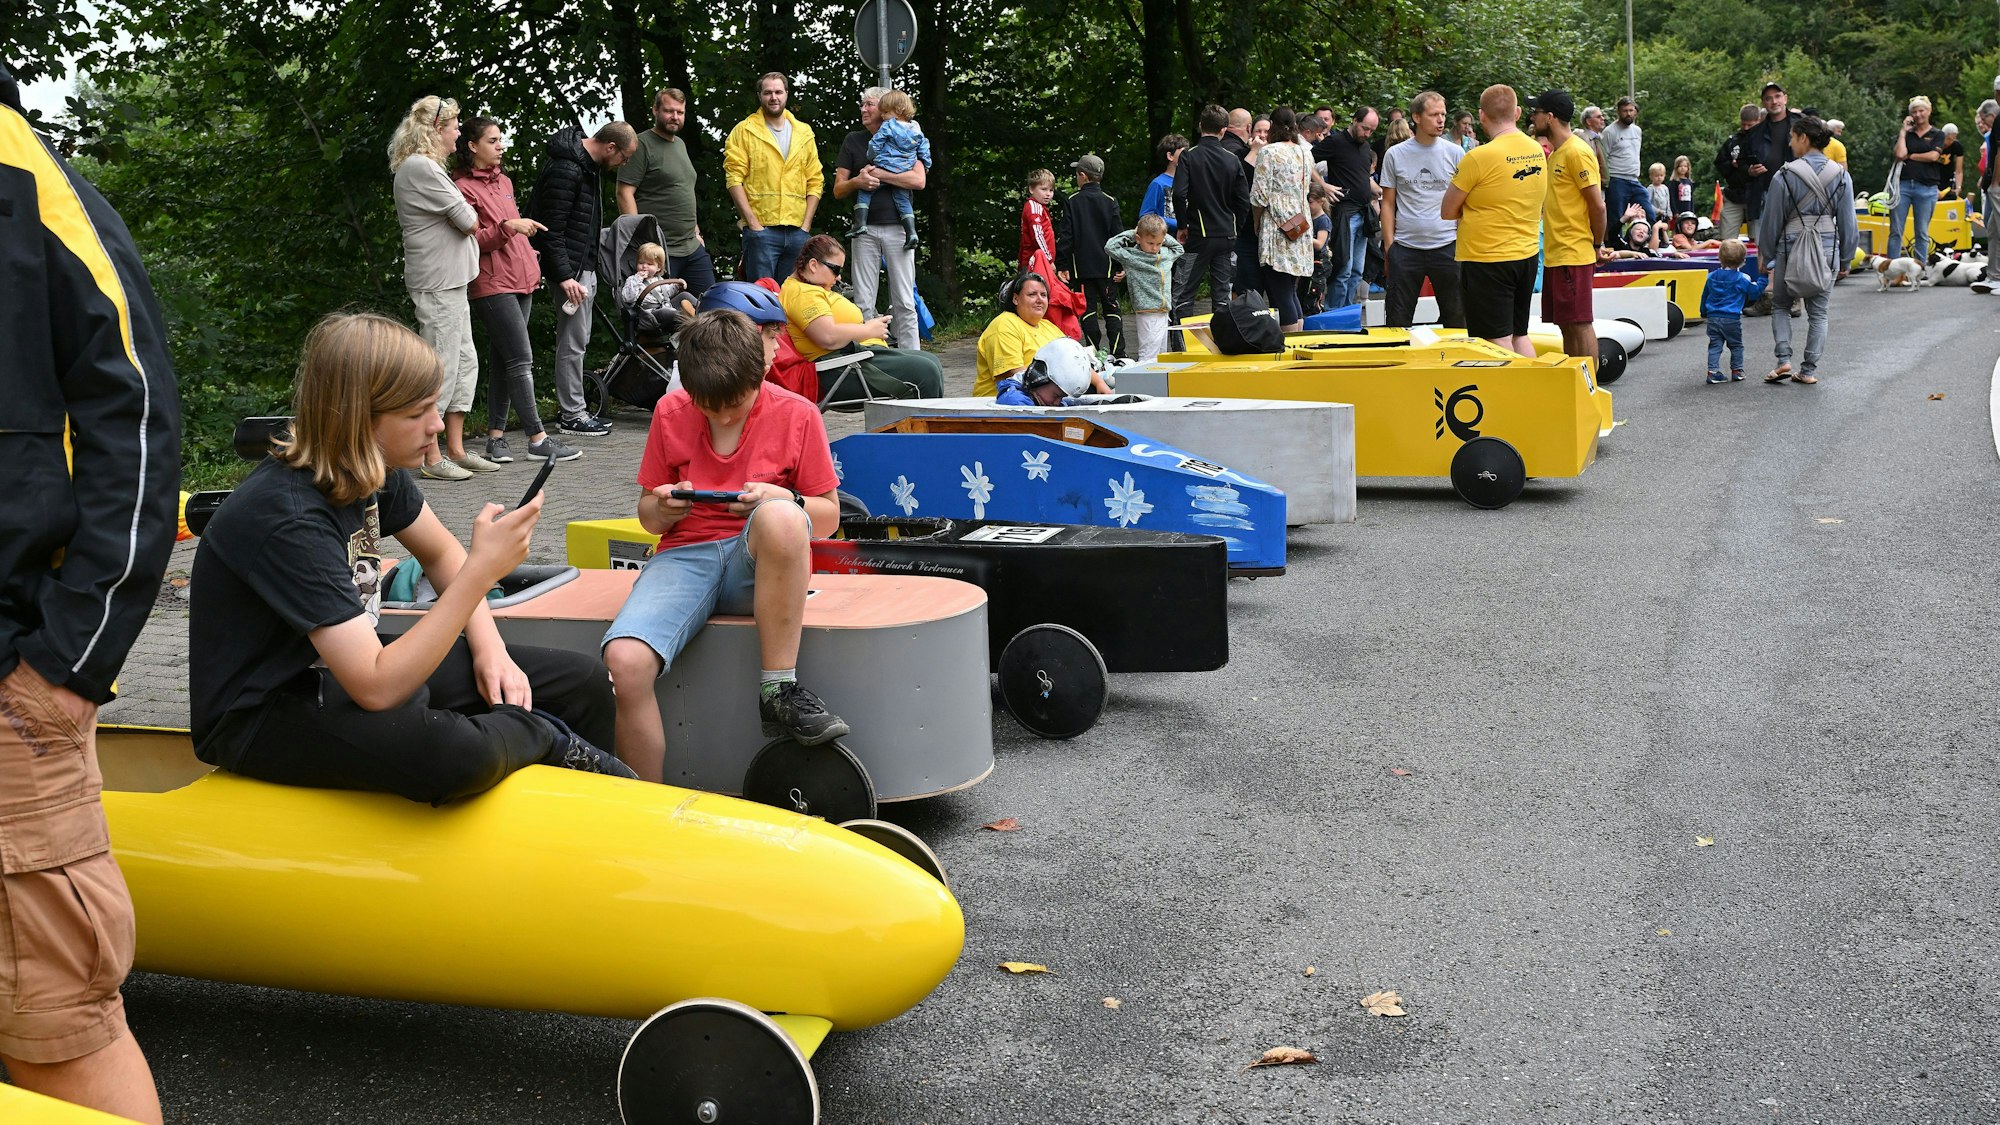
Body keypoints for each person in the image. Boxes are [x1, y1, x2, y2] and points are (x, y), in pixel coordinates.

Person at [191, 313, 631, 805]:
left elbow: (441, 553)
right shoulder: (288, 517)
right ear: (357, 418)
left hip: (338, 664)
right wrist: (482, 571)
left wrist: (492, 651)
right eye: (417, 413)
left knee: (580, 682)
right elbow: (376, 688)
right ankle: (547, 738)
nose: (437, 425)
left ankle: (596, 819)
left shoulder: (372, 466)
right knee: (457, 755)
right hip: (261, 712)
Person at [1, 61, 178, 1123]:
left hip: (14, 685)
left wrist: (67, 667)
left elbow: (139, 421)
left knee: (58, 1024)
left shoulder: (25, 178)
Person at [599, 311, 846, 784]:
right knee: (625, 663)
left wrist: (784, 497)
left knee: (780, 516)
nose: (724, 416)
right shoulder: (670, 411)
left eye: (734, 404)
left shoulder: (798, 414)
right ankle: (643, 806)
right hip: (684, 557)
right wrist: (663, 507)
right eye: (708, 407)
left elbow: (828, 518)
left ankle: (778, 689)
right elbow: (647, 516)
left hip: (758, 565)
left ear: (760, 375)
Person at [451, 117, 578, 467]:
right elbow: (472, 241)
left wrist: (528, 254)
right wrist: (508, 228)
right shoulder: (461, 188)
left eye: (500, 140)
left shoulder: (503, 181)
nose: (500, 146)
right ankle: (537, 438)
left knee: (504, 361)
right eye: (492, 141)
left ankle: (495, 438)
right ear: (472, 146)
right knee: (521, 360)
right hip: (492, 284)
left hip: (522, 279)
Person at [388, 95, 495, 481]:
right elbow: (470, 220)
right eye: (453, 127)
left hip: (451, 280)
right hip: (437, 282)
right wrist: (463, 215)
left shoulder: (427, 167)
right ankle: (431, 457)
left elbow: (465, 218)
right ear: (436, 130)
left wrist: (461, 215)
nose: (458, 134)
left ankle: (456, 450)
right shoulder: (421, 167)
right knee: (442, 365)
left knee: (465, 361)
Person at [531, 119, 638, 439]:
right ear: (610, 147)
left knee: (579, 341)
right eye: (624, 157)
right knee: (573, 342)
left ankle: (575, 410)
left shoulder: (587, 167)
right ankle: (572, 414)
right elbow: (550, 230)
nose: (623, 164)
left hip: (581, 269)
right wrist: (565, 276)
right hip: (571, 274)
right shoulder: (568, 170)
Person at [1440, 85, 1547, 357]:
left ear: (1481, 116)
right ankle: (1534, 383)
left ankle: (1512, 386)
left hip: (1487, 258)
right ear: (1518, 112)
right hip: (1527, 254)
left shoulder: (1479, 157)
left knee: (1495, 339)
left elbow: (1448, 211)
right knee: (1519, 334)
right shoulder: (1536, 150)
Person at [780, 235, 944, 403]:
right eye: (836, 270)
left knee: (931, 361)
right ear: (813, 265)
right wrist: (868, 330)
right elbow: (827, 337)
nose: (839, 277)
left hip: (855, 358)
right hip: (840, 367)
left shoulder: (810, 287)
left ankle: (917, 420)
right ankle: (921, 420)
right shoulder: (802, 294)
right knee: (926, 372)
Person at [1757, 116, 1857, 386]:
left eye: (1792, 137)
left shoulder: (1785, 174)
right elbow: (1848, 221)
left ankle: (1783, 359)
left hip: (1790, 246)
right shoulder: (1841, 175)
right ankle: (1808, 370)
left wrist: (1766, 253)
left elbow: (1772, 220)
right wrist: (1847, 257)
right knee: (1819, 313)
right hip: (1827, 248)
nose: (1790, 143)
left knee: (1781, 305)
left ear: (1803, 137)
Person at [836, 87, 928, 350]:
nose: (863, 109)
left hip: (899, 229)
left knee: (904, 301)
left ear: (887, 108)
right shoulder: (853, 140)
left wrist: (880, 174)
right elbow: (839, 189)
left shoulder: (908, 133)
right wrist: (858, 181)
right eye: (862, 104)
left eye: (870, 104)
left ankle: (913, 360)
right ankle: (870, 357)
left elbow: (918, 180)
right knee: (863, 302)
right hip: (863, 230)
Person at [1527, 90, 1608, 369]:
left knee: (1580, 323)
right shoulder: (1556, 153)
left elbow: (1597, 206)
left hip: (1574, 252)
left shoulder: (1577, 152)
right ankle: (1576, 384)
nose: (1532, 117)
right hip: (1556, 253)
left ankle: (1590, 387)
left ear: (1550, 117)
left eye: (1536, 112)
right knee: (1566, 324)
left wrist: (1597, 245)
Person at [616, 87, 715, 300]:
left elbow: (683, 189)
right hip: (659, 252)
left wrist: (696, 231)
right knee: (656, 311)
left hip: (691, 247)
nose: (675, 117)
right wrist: (642, 244)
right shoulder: (641, 144)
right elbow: (624, 192)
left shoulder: (680, 144)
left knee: (710, 306)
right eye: (669, 111)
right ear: (655, 110)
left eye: (680, 112)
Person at [724, 72, 823, 283]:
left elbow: (815, 181)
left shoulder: (804, 133)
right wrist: (754, 225)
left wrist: (805, 227)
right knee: (761, 297)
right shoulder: (744, 131)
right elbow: (734, 179)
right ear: (759, 95)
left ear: (786, 94)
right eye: (768, 92)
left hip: (797, 231)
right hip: (762, 230)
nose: (773, 97)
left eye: (778, 92)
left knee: (791, 296)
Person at [1379, 90, 1465, 329]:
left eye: (1443, 114)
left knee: (1457, 319)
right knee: (1397, 321)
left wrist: (1462, 242)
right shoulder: (1395, 154)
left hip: (1448, 245)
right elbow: (1387, 203)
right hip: (1406, 247)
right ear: (1416, 117)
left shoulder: (1455, 153)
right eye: (1434, 115)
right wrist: (1390, 247)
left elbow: (1465, 202)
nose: (1441, 120)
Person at [1172, 105, 1250, 336]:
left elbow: (1179, 194)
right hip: (1226, 236)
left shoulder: (1189, 156)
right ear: (1223, 130)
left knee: (1184, 292)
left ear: (1200, 126)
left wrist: (1183, 225)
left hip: (1198, 235)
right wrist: (1236, 226)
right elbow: (1243, 200)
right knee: (1222, 295)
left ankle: (1182, 344)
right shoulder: (1232, 159)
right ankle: (1223, 343)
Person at [977, 271, 1106, 397]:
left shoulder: (1048, 326)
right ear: (1016, 299)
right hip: (1005, 401)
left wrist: (1099, 383)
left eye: (1043, 295)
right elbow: (1014, 374)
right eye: (1032, 294)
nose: (1039, 300)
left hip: (1047, 396)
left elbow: (1075, 360)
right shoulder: (1004, 325)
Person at [1248, 107, 1313, 332]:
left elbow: (1259, 196)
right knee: (1290, 289)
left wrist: (1256, 222)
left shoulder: (1269, 152)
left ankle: (1289, 343)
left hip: (1277, 226)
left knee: (1279, 290)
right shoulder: (1305, 152)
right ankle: (1300, 337)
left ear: (1272, 126)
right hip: (1300, 223)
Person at [1056, 154, 1124, 355]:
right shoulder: (1110, 201)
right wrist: (1121, 266)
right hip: (1108, 268)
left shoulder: (1072, 201)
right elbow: (1118, 236)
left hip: (1082, 269)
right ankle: (1119, 353)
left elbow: (1066, 236)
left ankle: (1093, 354)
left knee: (1088, 311)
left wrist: (1062, 265)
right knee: (1112, 309)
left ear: (1083, 176)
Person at [848, 89, 929, 250]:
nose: (884, 115)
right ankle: (912, 232)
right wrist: (926, 163)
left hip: (885, 164)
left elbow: (875, 144)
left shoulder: (888, 125)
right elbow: (924, 147)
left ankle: (860, 223)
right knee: (903, 200)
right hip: (905, 167)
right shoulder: (915, 128)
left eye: (885, 112)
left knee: (865, 191)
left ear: (897, 110)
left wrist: (872, 157)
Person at [1316, 106, 1378, 307]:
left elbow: (1363, 177)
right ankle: (1334, 311)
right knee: (1343, 267)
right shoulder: (1336, 142)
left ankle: (1347, 311)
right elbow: (1306, 160)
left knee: (1357, 271)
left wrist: (1380, 191)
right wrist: (1323, 185)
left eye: (1372, 131)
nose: (1367, 134)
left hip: (1363, 213)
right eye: (1365, 128)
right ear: (1354, 120)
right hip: (1345, 213)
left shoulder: (1365, 147)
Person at [1104, 215, 1184, 361]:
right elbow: (1110, 246)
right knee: (1148, 354)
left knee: (1161, 354)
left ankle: (1159, 376)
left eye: (1159, 243)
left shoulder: (1166, 255)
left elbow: (1179, 248)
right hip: (1147, 312)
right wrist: (1133, 233)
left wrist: (1163, 236)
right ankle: (1143, 374)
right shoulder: (1131, 257)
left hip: (1164, 311)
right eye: (1150, 243)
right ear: (1139, 239)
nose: (1154, 248)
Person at [1701, 240, 1768, 383]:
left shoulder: (1711, 276)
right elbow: (1754, 292)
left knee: (1715, 345)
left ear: (1720, 257)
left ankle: (1712, 372)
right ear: (1743, 260)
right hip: (1731, 318)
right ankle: (1737, 370)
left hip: (1713, 317)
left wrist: (1703, 311)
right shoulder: (1742, 278)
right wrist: (1763, 278)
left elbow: (1705, 295)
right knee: (1736, 345)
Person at [1890, 96, 1947, 261]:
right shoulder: (1907, 134)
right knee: (1896, 230)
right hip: (1903, 185)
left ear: (1929, 111)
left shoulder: (1937, 134)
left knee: (1921, 231)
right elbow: (1900, 154)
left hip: (1926, 187)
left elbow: (1933, 156)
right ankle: (1893, 268)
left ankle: (1919, 267)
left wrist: (1912, 156)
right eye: (1914, 112)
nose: (1918, 114)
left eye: (1921, 110)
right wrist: (1903, 132)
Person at [996, 337, 1098, 406]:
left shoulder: (1039, 396)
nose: (1057, 403)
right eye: (1056, 396)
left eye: (1062, 397)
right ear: (1037, 378)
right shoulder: (1015, 402)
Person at [1716, 103, 1766, 238]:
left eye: (1750, 125)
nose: (1746, 128)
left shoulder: (1767, 140)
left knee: (1758, 240)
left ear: (1759, 120)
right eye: (1743, 124)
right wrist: (1737, 167)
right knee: (1727, 239)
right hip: (1734, 194)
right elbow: (1720, 163)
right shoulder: (1733, 141)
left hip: (1758, 196)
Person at [1599, 96, 1650, 225]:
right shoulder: (1609, 132)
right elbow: (1603, 158)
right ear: (1618, 112)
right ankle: (1615, 238)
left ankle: (1650, 235)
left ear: (1635, 111)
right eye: (1625, 111)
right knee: (1616, 218)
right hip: (1617, 179)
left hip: (1634, 179)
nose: (1628, 114)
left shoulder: (1637, 131)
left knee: (1649, 213)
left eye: (1631, 110)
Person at [619, 242, 692, 320]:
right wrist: (637, 279)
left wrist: (676, 286)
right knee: (665, 312)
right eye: (641, 263)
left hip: (666, 306)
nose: (644, 266)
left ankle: (699, 312)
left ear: (658, 267)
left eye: (649, 264)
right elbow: (628, 298)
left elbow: (667, 294)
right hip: (649, 313)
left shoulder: (659, 279)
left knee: (685, 295)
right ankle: (688, 318)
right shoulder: (633, 280)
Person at [1139, 133, 1187, 234]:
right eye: (1183, 153)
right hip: (1165, 239)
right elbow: (1145, 217)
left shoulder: (1190, 182)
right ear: (1170, 156)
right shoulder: (1158, 184)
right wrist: (1179, 224)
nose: (1187, 156)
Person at [1019, 168, 1057, 267]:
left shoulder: (1040, 208)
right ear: (1031, 189)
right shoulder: (1034, 207)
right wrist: (1048, 260)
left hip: (1037, 261)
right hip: (1035, 263)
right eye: (1044, 189)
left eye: (1051, 190)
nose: (1048, 194)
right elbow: (1037, 235)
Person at [1940, 123, 1965, 198]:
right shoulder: (1936, 143)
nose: (1950, 142)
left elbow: (1959, 170)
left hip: (1948, 176)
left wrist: (1958, 187)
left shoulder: (1956, 146)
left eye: (1953, 138)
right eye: (1948, 139)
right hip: (1934, 176)